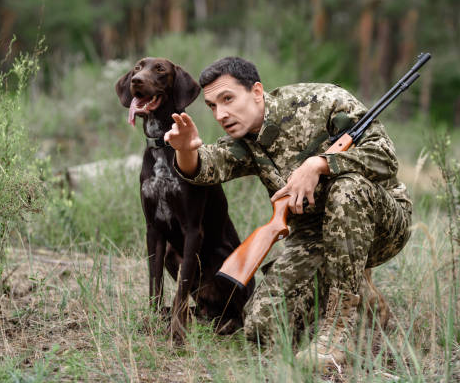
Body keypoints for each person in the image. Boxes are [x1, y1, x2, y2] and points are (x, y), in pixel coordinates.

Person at [163, 56, 412, 370]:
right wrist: (186, 150)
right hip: (313, 237)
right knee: (261, 329)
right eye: (212, 106)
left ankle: (338, 326)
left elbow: (385, 157)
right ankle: (365, 298)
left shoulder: (322, 101)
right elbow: (205, 168)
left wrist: (319, 164)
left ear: (256, 92)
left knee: (348, 187)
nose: (221, 114)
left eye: (228, 99)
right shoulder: (244, 140)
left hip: (379, 224)